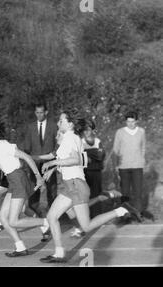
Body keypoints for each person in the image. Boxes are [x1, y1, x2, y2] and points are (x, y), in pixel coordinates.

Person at [39, 110, 141, 263]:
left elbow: (73, 159)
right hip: (70, 185)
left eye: (61, 121)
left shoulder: (71, 138)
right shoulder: (70, 138)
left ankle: (122, 209)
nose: (59, 123)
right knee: (52, 216)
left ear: (70, 123)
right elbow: (73, 160)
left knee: (86, 226)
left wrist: (52, 163)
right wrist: (53, 168)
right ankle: (59, 253)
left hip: (76, 186)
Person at [0, 124, 49, 257]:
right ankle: (20, 247)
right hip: (13, 181)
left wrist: (38, 177)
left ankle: (47, 222)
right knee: (3, 218)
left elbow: (27, 157)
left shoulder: (2, 145)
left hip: (18, 179)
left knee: (13, 221)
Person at [113, 111, 153, 221]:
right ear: (126, 121)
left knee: (138, 192)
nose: (130, 124)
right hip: (123, 166)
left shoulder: (141, 131)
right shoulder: (120, 132)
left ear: (136, 121)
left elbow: (143, 146)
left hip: (137, 166)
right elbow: (115, 150)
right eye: (128, 121)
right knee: (125, 193)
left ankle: (138, 214)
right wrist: (116, 165)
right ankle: (124, 216)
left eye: (133, 121)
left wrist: (142, 159)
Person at [22, 102, 58, 216]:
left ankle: (53, 214)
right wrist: (27, 161)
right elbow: (27, 147)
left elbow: (57, 143)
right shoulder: (30, 127)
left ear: (46, 112)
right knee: (34, 188)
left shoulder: (53, 126)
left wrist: (54, 156)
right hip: (35, 163)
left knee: (52, 189)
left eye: (41, 112)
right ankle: (35, 214)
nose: (39, 115)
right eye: (37, 113)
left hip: (49, 162)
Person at [81, 119, 106, 217]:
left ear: (93, 130)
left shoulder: (98, 141)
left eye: (89, 130)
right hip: (85, 172)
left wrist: (88, 154)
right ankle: (87, 216)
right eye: (85, 130)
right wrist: (93, 153)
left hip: (96, 172)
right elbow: (82, 157)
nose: (87, 132)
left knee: (97, 194)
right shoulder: (81, 142)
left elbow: (100, 156)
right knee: (86, 194)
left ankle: (97, 215)